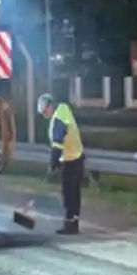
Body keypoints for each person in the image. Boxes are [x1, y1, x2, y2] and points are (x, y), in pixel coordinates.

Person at [38, 93, 84, 234]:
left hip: (72, 160)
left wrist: (53, 165)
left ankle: (70, 224)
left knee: (69, 194)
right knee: (73, 193)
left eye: (45, 111)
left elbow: (57, 144)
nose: (44, 115)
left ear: (50, 106)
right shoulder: (63, 110)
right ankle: (73, 222)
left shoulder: (59, 118)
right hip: (75, 157)